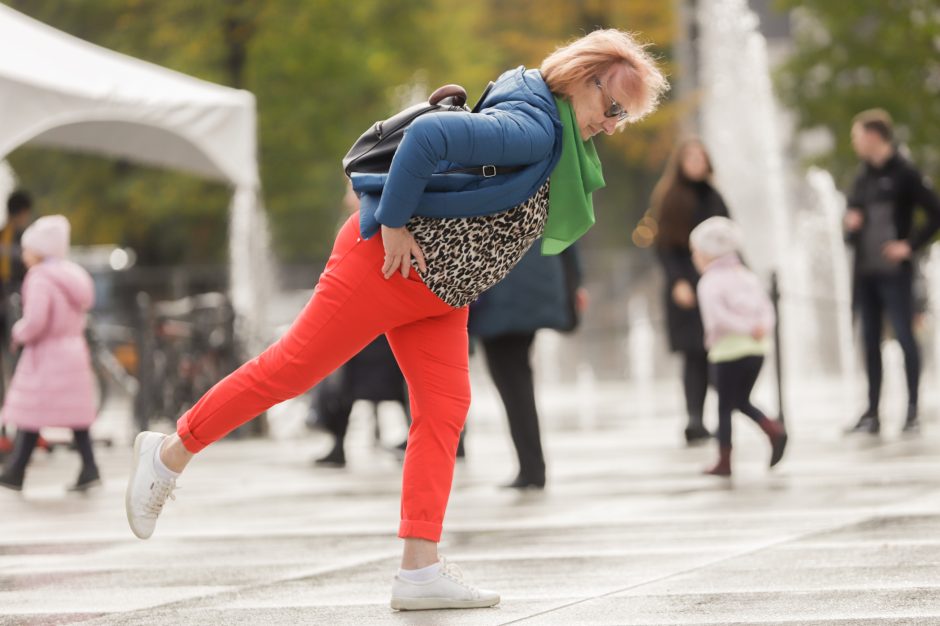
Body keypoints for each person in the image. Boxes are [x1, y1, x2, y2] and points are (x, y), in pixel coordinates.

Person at [125, 29, 667, 611]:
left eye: (623, 119)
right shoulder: (535, 125)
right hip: (389, 267)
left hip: (439, 289)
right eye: (612, 108)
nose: (612, 125)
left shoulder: (544, 115)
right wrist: (392, 221)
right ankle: (169, 452)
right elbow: (431, 135)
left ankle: (419, 570)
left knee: (443, 411)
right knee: (290, 371)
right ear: (584, 79)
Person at [843, 109, 940, 435]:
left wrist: (908, 245)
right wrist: (850, 227)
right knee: (869, 342)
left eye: (857, 135)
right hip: (866, 274)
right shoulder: (862, 176)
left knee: (904, 338)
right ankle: (872, 412)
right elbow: (851, 227)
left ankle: (912, 410)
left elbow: (935, 214)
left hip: (895, 274)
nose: (854, 142)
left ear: (873, 136)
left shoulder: (905, 173)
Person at [468, 242, 585, 490]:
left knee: (512, 383)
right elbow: (569, 232)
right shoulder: (542, 200)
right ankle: (532, 466)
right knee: (518, 378)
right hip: (535, 289)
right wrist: (573, 284)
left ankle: (532, 468)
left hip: (500, 297)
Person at [0, 215, 99, 492]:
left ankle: (16, 470)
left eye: (27, 248)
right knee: (77, 417)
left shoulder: (40, 278)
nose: (23, 254)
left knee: (31, 412)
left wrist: (18, 333)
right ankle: (89, 467)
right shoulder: (72, 275)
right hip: (73, 350)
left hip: (46, 355)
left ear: (40, 250)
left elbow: (36, 320)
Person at [689, 217, 787, 477]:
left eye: (695, 252)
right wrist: (759, 329)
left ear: (707, 253)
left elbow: (717, 318)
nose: (694, 258)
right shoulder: (746, 276)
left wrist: (742, 329)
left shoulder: (709, 282)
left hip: (727, 351)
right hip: (757, 349)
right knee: (741, 400)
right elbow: (767, 309)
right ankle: (771, 429)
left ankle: (724, 459)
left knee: (724, 406)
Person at [650, 139, 730, 445]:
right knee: (693, 354)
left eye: (701, 158)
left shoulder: (715, 197)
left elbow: (729, 240)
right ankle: (694, 418)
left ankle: (726, 410)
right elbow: (665, 247)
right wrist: (677, 282)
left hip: (716, 285)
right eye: (691, 158)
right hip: (686, 285)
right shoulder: (671, 197)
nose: (697, 163)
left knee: (717, 352)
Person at [0, 190, 33, 457]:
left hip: (10, 311)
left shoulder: (5, 235)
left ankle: (19, 433)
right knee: (22, 372)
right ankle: (23, 433)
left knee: (12, 373)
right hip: (15, 312)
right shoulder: (25, 240)